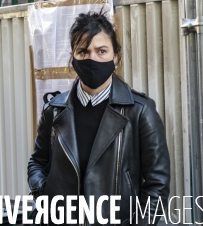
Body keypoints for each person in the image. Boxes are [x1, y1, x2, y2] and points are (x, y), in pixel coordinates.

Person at [27, 11, 170, 225]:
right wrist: (43, 192)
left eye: (101, 51)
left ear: (116, 57)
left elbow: (157, 183)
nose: (92, 58)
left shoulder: (140, 111)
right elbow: (37, 162)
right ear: (73, 57)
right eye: (83, 51)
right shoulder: (54, 110)